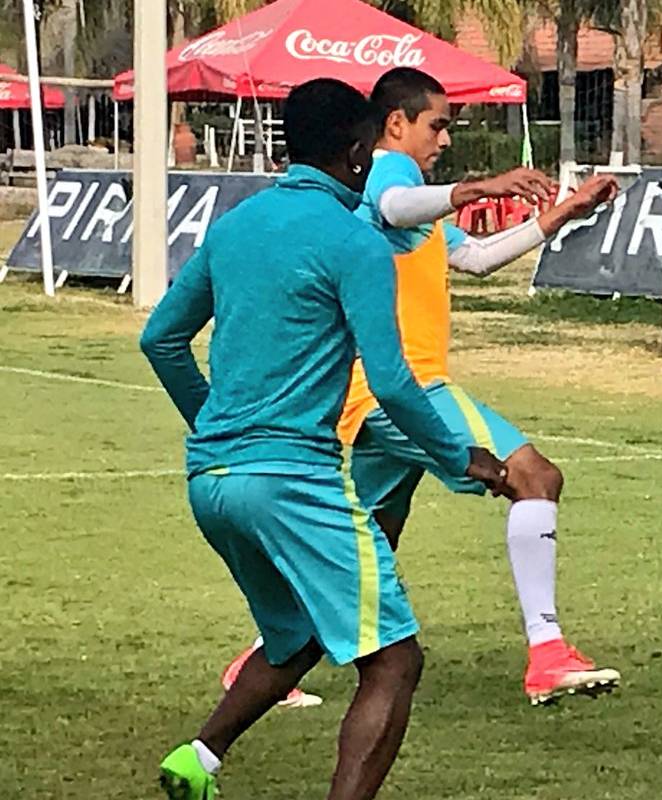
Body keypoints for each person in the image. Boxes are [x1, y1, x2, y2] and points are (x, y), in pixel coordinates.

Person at [141, 77, 506, 800]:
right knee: (394, 660)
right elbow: (393, 382)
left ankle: (199, 757)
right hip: (293, 480)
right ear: (358, 153)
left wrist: (216, 426)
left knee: (301, 631)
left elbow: (161, 339)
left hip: (211, 482)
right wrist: (459, 456)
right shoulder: (353, 240)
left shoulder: (237, 225)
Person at [224, 66, 623, 707]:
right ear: (395, 123)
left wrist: (564, 214)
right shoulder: (389, 172)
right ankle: (548, 653)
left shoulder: (411, 195)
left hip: (372, 401)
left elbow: (476, 257)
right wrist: (478, 187)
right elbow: (392, 205)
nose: (445, 139)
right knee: (535, 478)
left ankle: (261, 661)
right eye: (436, 126)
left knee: (370, 541)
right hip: (404, 390)